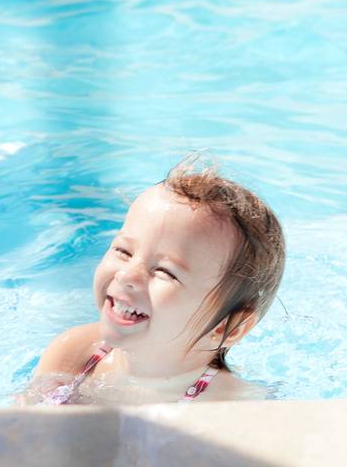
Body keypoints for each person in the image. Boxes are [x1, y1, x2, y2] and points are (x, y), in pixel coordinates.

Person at [20, 158, 285, 405]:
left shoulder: (232, 405)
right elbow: (19, 427)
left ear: (229, 327)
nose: (126, 275)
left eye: (165, 272)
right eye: (123, 251)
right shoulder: (75, 353)